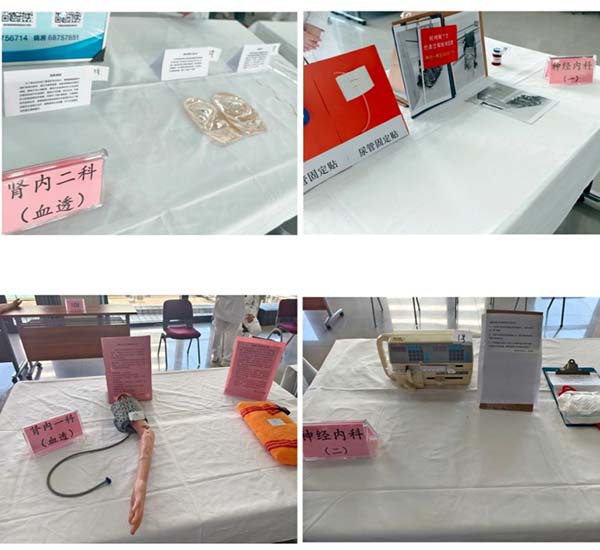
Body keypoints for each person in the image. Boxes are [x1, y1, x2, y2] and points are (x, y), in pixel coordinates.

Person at [210, 295, 245, 366]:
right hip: (236, 306)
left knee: (218, 332)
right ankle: (227, 359)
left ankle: (215, 354)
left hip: (221, 304)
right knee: (230, 334)